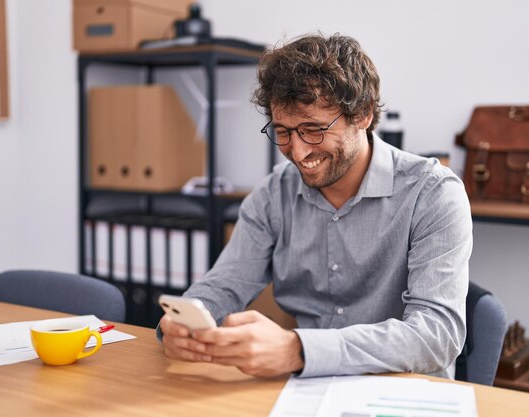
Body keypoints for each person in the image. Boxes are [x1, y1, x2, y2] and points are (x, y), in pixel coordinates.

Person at [159, 33, 472, 379]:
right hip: (306, 389)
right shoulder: (273, 196)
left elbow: (436, 335)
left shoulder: (433, 194)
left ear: (363, 114)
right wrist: (183, 322)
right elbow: (225, 286)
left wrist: (298, 350)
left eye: (313, 130)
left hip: (404, 393)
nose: (298, 152)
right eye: (283, 131)